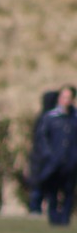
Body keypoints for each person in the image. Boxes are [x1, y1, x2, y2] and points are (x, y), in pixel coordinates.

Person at [35, 84, 77, 225]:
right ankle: (53, 219)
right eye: (63, 97)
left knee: (68, 191)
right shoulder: (50, 117)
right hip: (54, 162)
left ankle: (65, 219)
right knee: (52, 191)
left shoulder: (75, 117)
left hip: (71, 162)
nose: (65, 100)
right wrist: (48, 154)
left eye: (68, 97)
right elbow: (42, 137)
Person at [27, 89, 59, 214]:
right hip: (42, 159)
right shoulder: (46, 119)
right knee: (39, 188)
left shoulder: (45, 118)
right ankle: (35, 210)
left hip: (41, 158)